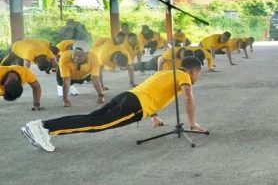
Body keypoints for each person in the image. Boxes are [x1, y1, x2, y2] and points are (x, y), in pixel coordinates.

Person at [21, 57, 205, 152]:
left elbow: (151, 91)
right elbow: (188, 98)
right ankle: (44, 129)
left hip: (126, 96)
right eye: (198, 74)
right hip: (134, 106)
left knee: (91, 118)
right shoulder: (184, 76)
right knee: (95, 124)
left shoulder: (165, 72)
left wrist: (154, 116)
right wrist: (192, 123)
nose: (196, 78)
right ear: (194, 71)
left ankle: (41, 127)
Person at [56, 41, 104, 107]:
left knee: (82, 80)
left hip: (82, 75)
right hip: (68, 76)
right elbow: (66, 80)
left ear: (86, 54)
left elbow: (95, 79)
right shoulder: (64, 57)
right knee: (62, 85)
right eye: (75, 54)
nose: (77, 57)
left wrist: (101, 95)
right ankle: (62, 86)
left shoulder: (94, 58)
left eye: (80, 56)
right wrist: (65, 100)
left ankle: (74, 84)